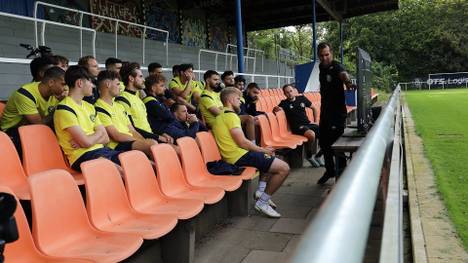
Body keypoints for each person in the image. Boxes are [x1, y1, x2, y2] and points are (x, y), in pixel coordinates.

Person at [212, 87, 289, 218]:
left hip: (235, 155)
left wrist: (264, 151)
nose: (240, 102)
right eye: (237, 99)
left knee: (270, 156)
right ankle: (262, 202)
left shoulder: (221, 115)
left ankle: (260, 191)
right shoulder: (231, 117)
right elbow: (242, 142)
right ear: (230, 100)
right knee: (284, 168)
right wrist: (263, 150)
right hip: (238, 157)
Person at [53, 65, 120, 172]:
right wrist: (97, 134)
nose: (93, 86)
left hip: (102, 150)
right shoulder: (64, 108)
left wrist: (88, 138)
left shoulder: (89, 106)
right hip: (81, 156)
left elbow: (106, 138)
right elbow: (87, 143)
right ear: (80, 83)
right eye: (90, 82)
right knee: (117, 169)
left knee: (133, 159)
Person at [1, 66, 66, 154]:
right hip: (11, 132)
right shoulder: (26, 94)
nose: (66, 88)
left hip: (36, 128)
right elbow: (39, 124)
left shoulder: (56, 93)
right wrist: (60, 106)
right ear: (51, 82)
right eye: (63, 84)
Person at [316, 42, 356, 184]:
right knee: (325, 144)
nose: (325, 58)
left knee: (337, 145)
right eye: (321, 56)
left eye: (327, 55)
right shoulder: (321, 67)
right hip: (325, 113)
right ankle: (330, 171)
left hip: (337, 114)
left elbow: (343, 75)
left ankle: (342, 174)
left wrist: (348, 83)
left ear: (331, 53)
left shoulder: (337, 66)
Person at [94, 70, 157, 157]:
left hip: (130, 141)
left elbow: (132, 130)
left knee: (155, 146)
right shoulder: (99, 107)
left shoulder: (119, 106)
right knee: (152, 145)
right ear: (108, 84)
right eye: (117, 84)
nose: (120, 88)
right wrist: (141, 142)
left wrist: (143, 140)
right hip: (117, 145)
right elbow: (116, 135)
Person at [116, 62, 173, 144]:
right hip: (142, 141)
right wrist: (157, 137)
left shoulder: (138, 98)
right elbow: (132, 129)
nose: (144, 80)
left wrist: (162, 134)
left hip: (151, 137)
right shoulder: (123, 99)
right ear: (131, 78)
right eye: (140, 76)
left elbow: (148, 123)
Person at [274, 84, 320, 167]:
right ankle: (309, 156)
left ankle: (319, 156)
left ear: (294, 91)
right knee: (311, 134)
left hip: (308, 123)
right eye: (287, 92)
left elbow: (314, 108)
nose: (290, 93)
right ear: (284, 94)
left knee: (327, 132)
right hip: (297, 127)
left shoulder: (301, 98)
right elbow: (275, 111)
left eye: (291, 91)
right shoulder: (283, 103)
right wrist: (276, 109)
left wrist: (316, 121)